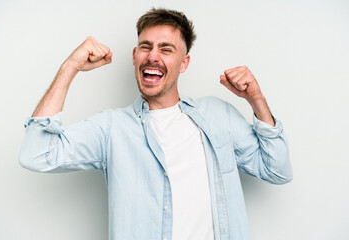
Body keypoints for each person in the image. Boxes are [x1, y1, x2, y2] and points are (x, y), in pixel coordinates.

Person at [19, 8, 292, 240]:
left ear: (183, 63)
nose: (152, 56)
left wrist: (256, 100)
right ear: (135, 56)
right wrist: (70, 67)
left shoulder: (219, 115)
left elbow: (277, 170)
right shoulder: (112, 129)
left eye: (166, 49)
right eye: (145, 47)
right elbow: (36, 154)